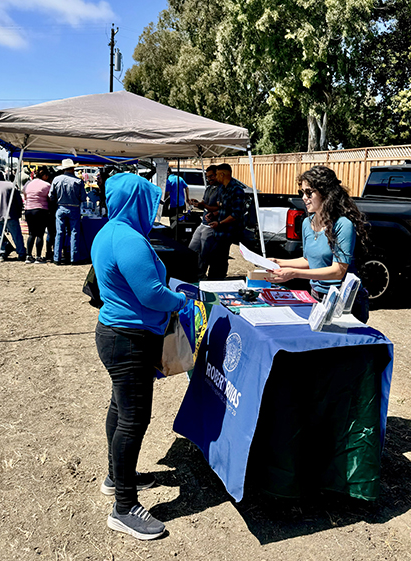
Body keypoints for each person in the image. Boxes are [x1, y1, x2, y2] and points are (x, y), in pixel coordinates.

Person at [92, 173, 187, 540]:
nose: (155, 206)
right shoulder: (129, 238)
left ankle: (118, 477)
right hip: (127, 338)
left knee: (120, 408)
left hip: (118, 333)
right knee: (133, 419)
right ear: (137, 201)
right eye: (150, 200)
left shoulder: (109, 231)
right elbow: (151, 294)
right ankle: (124, 507)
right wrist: (182, 299)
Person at [269, 165, 369, 323]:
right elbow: (310, 261)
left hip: (344, 301)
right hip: (317, 296)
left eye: (309, 192)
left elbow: (338, 271)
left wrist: (294, 273)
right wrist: (279, 262)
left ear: (326, 193)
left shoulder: (343, 224)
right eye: (302, 192)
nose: (304, 197)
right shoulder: (306, 223)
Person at [206, 163, 245, 280]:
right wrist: (213, 214)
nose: (216, 177)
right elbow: (223, 209)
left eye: (217, 174)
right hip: (220, 230)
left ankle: (216, 280)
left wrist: (220, 223)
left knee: (219, 257)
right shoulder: (223, 188)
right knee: (215, 257)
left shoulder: (236, 190)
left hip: (229, 231)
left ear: (222, 174)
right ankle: (215, 279)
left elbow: (235, 214)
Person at [49, 158, 86, 265]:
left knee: (59, 233)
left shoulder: (56, 180)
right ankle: (73, 258)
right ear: (73, 168)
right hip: (74, 208)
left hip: (60, 207)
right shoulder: (78, 181)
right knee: (74, 232)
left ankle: (57, 257)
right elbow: (83, 197)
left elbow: (51, 196)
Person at [0, 171, 26, 261]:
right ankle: (21, 253)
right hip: (11, 215)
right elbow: (19, 201)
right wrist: (19, 213)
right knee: (17, 235)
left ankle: (1, 254)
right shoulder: (11, 185)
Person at [188, 165, 222, 278]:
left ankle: (200, 275)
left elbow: (221, 209)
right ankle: (191, 272)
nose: (209, 179)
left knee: (204, 254)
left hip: (211, 226)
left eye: (211, 176)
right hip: (202, 224)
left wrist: (205, 207)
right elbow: (205, 204)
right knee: (192, 249)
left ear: (217, 174)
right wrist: (197, 203)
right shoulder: (209, 188)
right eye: (207, 177)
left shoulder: (221, 189)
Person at [23, 167, 52, 263]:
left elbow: (25, 195)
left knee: (31, 233)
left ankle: (29, 255)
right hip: (41, 209)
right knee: (40, 234)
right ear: (44, 175)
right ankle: (38, 256)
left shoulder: (28, 184)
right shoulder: (47, 185)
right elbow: (51, 198)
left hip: (28, 210)